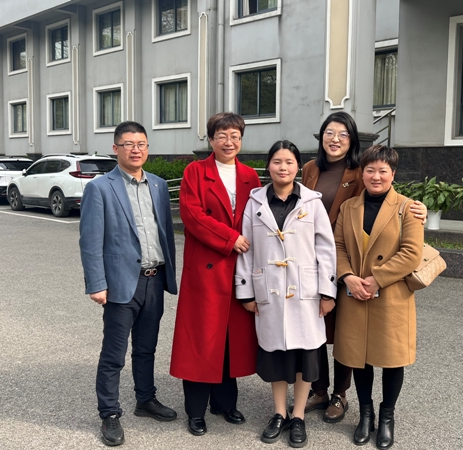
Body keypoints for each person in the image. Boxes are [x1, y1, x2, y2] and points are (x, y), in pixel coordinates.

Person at [300, 111, 426, 423]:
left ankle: (340, 394)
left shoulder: (361, 170)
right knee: (315, 326)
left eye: (343, 134)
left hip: (353, 262)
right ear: (321, 136)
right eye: (329, 132)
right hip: (312, 259)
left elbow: (384, 204)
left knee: (346, 332)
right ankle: (319, 388)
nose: (335, 139)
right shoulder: (310, 169)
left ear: (352, 140)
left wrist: (419, 209)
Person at [79, 121, 178, 447]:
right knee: (114, 353)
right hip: (122, 283)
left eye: (141, 144)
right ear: (116, 148)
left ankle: (145, 399)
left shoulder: (158, 185)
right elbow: (90, 241)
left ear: (147, 148)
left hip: (154, 280)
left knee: (147, 348)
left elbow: (165, 233)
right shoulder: (100, 188)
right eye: (129, 144)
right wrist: (97, 283)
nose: (136, 150)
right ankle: (109, 412)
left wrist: (169, 275)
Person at [236, 140, 337, 448]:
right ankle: (279, 412)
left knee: (306, 355)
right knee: (276, 354)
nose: (283, 167)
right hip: (269, 289)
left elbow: (326, 249)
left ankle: (299, 415)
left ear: (298, 167)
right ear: (268, 165)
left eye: (289, 162)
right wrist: (246, 291)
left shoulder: (312, 202)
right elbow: (246, 250)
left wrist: (327, 291)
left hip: (305, 291)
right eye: (277, 161)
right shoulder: (255, 202)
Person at [170, 112, 261, 436]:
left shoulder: (250, 175)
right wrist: (230, 238)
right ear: (211, 139)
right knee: (201, 339)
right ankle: (195, 411)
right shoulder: (195, 171)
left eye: (235, 135)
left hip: (239, 267)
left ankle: (224, 403)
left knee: (230, 339)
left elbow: (258, 217)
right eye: (222, 135)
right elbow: (192, 216)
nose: (229, 141)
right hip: (207, 268)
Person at [333, 145, 424, 449]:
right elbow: (338, 247)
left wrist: (376, 279)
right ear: (362, 173)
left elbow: (412, 253)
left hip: (391, 295)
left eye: (383, 170)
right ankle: (365, 414)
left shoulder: (407, 208)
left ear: (392, 174)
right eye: (370, 170)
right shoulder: (349, 208)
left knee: (391, 359)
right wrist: (348, 276)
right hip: (355, 293)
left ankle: (387, 416)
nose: (376, 176)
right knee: (359, 358)